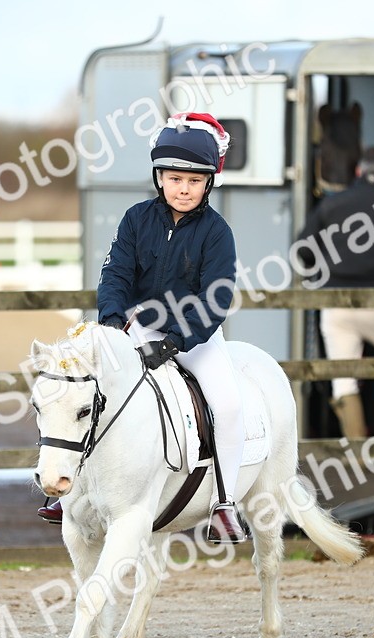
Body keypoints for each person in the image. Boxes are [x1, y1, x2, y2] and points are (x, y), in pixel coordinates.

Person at [37, 112, 247, 543]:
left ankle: (224, 503)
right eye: (174, 178)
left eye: (193, 180)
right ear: (159, 178)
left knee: (226, 406)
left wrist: (175, 341)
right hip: (137, 328)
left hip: (195, 337)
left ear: (209, 182)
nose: (183, 188)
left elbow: (217, 300)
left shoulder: (217, 232)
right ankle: (70, 492)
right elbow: (115, 275)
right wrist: (112, 323)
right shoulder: (136, 219)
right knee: (81, 392)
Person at [295, 145, 374, 440]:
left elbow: (304, 250)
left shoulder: (332, 204)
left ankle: (356, 444)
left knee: (343, 376)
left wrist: (324, 266)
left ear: (359, 172)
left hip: (336, 303)